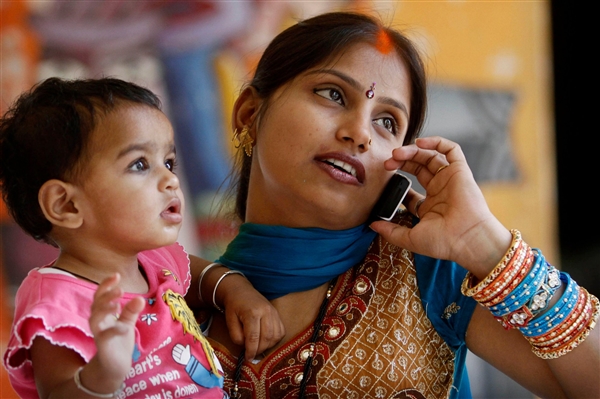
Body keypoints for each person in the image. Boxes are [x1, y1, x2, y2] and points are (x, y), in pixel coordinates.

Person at [195, 11, 600, 399]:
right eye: (333, 94)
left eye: (387, 122)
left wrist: (485, 243)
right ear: (249, 113)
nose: (359, 134)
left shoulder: (426, 270)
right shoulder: (176, 301)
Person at [0, 77, 284, 399]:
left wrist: (236, 291)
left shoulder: (156, 261)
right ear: (66, 204)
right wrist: (103, 373)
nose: (171, 180)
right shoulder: (55, 302)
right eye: (140, 164)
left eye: (168, 162)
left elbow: (203, 277)